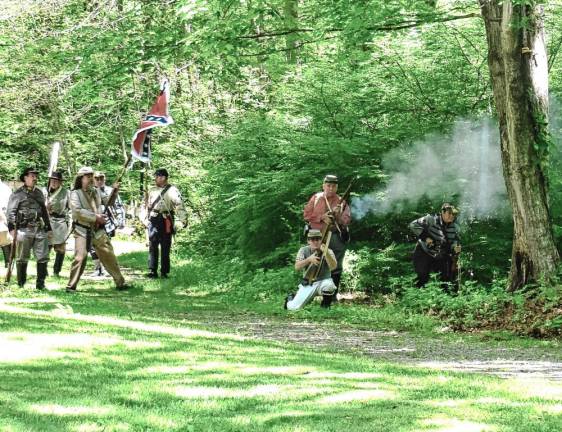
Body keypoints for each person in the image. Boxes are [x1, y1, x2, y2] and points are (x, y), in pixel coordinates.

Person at [66, 166, 130, 292]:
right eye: (88, 176)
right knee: (80, 257)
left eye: (91, 176)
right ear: (81, 178)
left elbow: (109, 202)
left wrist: (115, 191)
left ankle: (120, 283)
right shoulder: (75, 194)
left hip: (97, 230)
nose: (90, 179)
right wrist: (96, 217)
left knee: (108, 255)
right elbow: (78, 212)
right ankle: (71, 286)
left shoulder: (96, 191)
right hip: (82, 229)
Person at [303, 174, 351, 305]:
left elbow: (346, 220)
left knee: (335, 266)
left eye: (333, 186)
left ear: (337, 187)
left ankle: (331, 297)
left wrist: (338, 215)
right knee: (311, 263)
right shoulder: (316, 198)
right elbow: (306, 215)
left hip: (334, 236)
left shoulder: (342, 201)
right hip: (316, 237)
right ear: (323, 185)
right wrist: (322, 217)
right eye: (328, 185)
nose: (330, 188)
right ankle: (307, 294)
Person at [6, 167, 52, 289]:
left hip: (39, 228)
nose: (35, 178)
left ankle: (40, 285)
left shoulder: (39, 193)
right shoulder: (17, 194)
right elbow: (10, 213)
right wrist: (12, 229)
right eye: (32, 176)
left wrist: (48, 228)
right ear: (25, 177)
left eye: (35, 176)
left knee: (43, 257)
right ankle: (21, 284)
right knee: (22, 257)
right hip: (23, 229)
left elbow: (44, 211)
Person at [144, 168, 186, 278]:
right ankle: (152, 270)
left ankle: (164, 272)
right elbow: (145, 206)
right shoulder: (152, 190)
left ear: (163, 177)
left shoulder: (172, 190)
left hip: (166, 219)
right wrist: (144, 218)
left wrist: (183, 219)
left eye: (157, 176)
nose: (155, 178)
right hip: (153, 219)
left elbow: (179, 205)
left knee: (165, 246)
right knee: (153, 245)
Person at [409, 202, 461, 289]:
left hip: (439, 254)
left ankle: (446, 298)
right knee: (422, 277)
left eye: (454, 214)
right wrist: (426, 238)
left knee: (445, 280)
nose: (452, 215)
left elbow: (454, 241)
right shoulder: (431, 219)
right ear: (443, 212)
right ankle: (416, 296)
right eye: (450, 213)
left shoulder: (455, 227)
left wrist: (455, 248)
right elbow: (413, 224)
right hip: (423, 251)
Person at [285, 229, 337, 311]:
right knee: (294, 308)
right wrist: (308, 260)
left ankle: (325, 307)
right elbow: (297, 267)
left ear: (321, 240)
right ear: (308, 241)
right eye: (312, 239)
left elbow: (333, 267)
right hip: (309, 283)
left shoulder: (328, 250)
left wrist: (326, 253)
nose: (315, 242)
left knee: (329, 285)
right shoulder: (303, 250)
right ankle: (290, 299)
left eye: (317, 239)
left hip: (323, 282)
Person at [89, 171, 126, 276]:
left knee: (106, 246)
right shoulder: (89, 191)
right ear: (93, 179)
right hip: (93, 221)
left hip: (108, 222)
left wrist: (121, 220)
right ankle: (97, 268)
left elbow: (118, 206)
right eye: (97, 178)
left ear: (104, 179)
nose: (99, 181)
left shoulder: (111, 191)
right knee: (92, 246)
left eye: (101, 178)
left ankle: (107, 269)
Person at [46, 171, 70, 277]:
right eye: (52, 180)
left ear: (60, 182)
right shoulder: (45, 192)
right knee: (46, 247)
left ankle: (56, 271)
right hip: (48, 222)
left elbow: (70, 209)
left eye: (56, 180)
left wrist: (69, 223)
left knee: (60, 249)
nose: (54, 182)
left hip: (60, 222)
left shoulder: (66, 193)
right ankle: (43, 270)